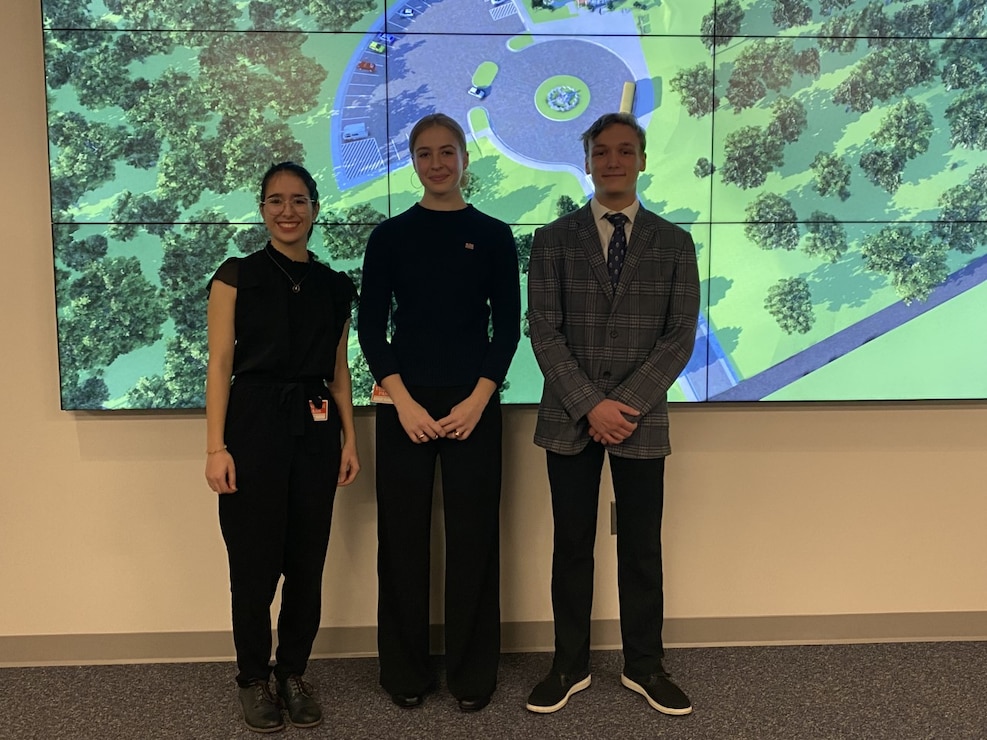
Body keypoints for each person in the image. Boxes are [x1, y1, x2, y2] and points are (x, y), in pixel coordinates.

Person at [525, 112, 700, 716]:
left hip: (639, 419)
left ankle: (644, 666)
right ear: (589, 161)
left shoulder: (675, 243)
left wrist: (622, 405)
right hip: (570, 421)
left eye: (626, 151)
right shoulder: (552, 240)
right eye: (602, 152)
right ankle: (568, 665)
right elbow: (543, 331)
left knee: (641, 547)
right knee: (570, 545)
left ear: (642, 161)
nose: (614, 161)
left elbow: (679, 336)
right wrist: (589, 405)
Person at [358, 113, 521, 712]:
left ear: (464, 157)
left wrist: (479, 398)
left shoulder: (495, 235)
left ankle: (471, 673)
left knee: (474, 539)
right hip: (404, 406)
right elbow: (370, 330)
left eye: (446, 152)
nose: (436, 163)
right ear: (412, 161)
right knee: (401, 541)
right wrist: (402, 402)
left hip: (475, 403)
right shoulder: (390, 237)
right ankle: (405, 671)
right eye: (424, 154)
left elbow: (507, 329)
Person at [204, 161, 360, 733]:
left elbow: (339, 373)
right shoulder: (236, 275)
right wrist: (215, 447)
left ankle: (292, 672)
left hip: (317, 430)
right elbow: (220, 364)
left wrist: (350, 439)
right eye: (276, 200)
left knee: (306, 563)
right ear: (262, 208)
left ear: (316, 208)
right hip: (251, 425)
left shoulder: (336, 285)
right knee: (253, 563)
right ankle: (253, 678)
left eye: (299, 200)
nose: (287, 210)